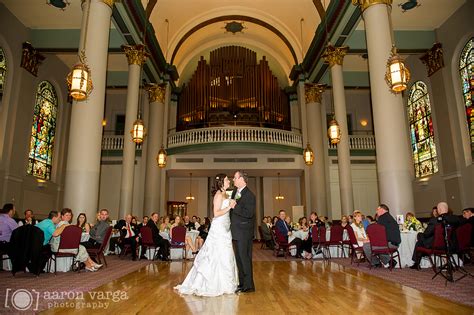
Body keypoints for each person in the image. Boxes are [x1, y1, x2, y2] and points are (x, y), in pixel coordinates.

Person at [175, 173, 238, 296]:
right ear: (221, 182)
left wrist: (232, 204)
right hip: (219, 227)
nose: (229, 182)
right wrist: (229, 207)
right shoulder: (218, 195)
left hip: (225, 227)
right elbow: (216, 213)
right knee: (217, 253)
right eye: (226, 180)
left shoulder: (225, 194)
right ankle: (212, 283)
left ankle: (226, 282)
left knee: (225, 254)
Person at [410, 202, 461, 269]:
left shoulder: (434, 220)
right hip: (452, 245)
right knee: (422, 240)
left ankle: (417, 263)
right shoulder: (456, 219)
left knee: (420, 240)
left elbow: (426, 234)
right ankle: (448, 262)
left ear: (439, 210)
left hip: (438, 245)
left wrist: (419, 235)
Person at [230, 170, 256, 293]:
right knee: (239, 259)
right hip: (236, 231)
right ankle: (242, 283)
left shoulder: (250, 195)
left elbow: (249, 213)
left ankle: (249, 285)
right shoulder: (235, 192)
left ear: (242, 179)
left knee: (245, 258)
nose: (233, 180)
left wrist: (235, 206)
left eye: (235, 178)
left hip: (244, 232)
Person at [364, 204, 401, 268]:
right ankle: (390, 261)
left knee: (366, 246)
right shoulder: (389, 217)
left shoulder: (382, 218)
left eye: (377, 209)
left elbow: (378, 233)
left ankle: (376, 263)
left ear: (382, 210)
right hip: (395, 243)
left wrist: (370, 240)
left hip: (389, 244)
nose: (376, 211)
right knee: (378, 246)